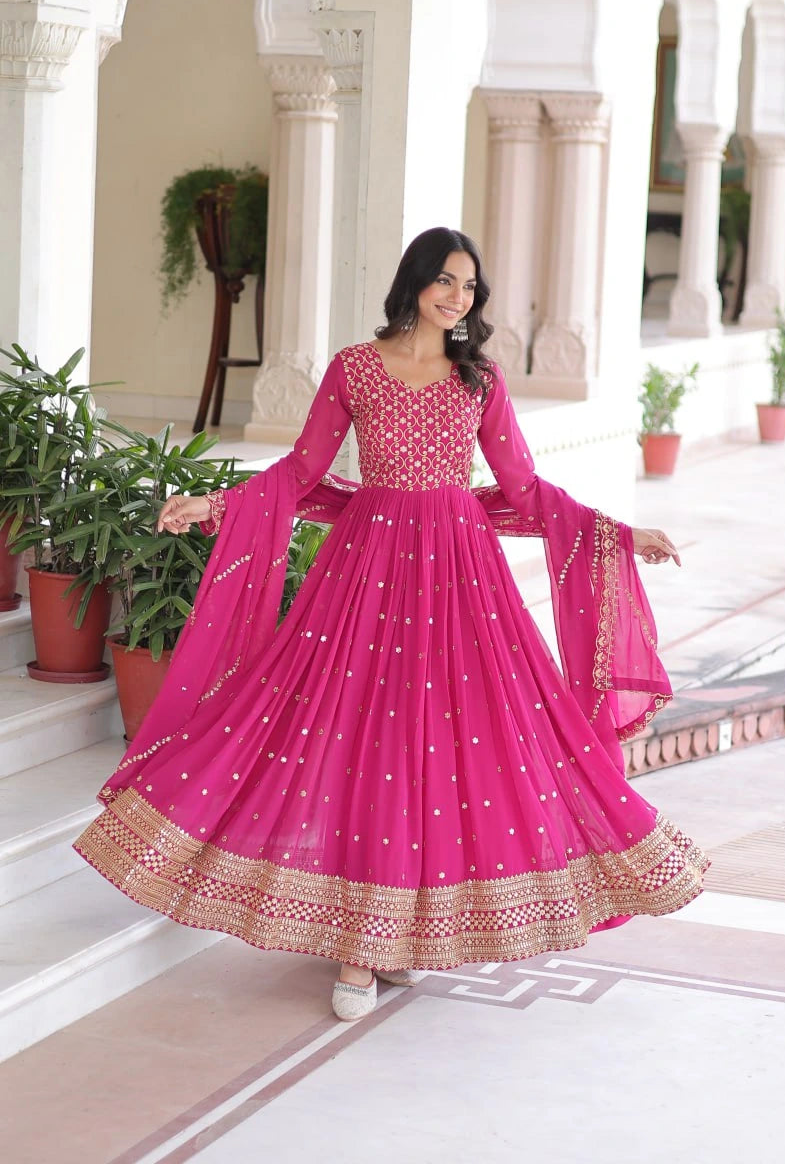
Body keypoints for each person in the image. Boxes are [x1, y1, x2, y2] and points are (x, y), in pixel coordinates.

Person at [75, 227, 709, 1022]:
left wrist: (614, 530)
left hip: (460, 580)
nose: (457, 297)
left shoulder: (479, 380)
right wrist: (218, 505)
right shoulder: (355, 368)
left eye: (469, 287)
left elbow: (521, 483)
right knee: (360, 738)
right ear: (413, 282)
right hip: (364, 575)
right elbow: (302, 470)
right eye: (445, 280)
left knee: (449, 742)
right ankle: (360, 944)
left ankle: (403, 934)